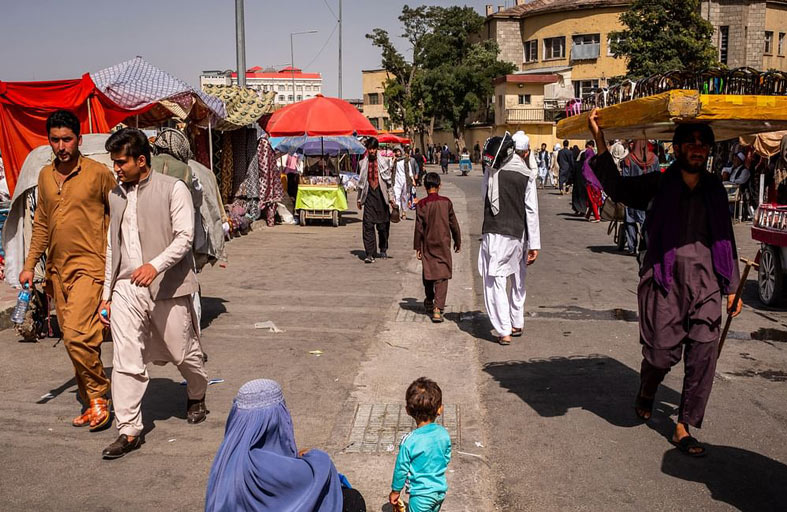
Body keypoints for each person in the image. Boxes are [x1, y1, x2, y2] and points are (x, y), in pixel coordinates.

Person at [587, 109, 742, 457]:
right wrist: (599, 137)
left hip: (707, 286)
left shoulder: (715, 188)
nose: (698, 149)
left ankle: (684, 425)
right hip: (665, 283)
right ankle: (648, 386)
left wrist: (731, 286)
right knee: (659, 356)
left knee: (703, 356)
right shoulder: (657, 183)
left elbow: (726, 238)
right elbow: (617, 187)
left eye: (704, 144)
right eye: (691, 143)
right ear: (678, 147)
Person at [100, 128, 209, 459]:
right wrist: (106, 294)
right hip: (126, 287)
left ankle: (196, 391)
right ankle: (129, 429)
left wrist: (155, 266)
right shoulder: (116, 196)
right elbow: (111, 247)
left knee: (183, 352)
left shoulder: (173, 188)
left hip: (167, 284)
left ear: (141, 160)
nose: (116, 169)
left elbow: (184, 237)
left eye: (121, 162)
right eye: (114, 163)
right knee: (125, 356)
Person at [19, 110, 115, 431]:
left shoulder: (98, 173)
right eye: (55, 140)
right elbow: (41, 224)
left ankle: (100, 395)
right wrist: (30, 265)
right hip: (57, 273)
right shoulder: (45, 176)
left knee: (76, 336)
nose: (61, 146)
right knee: (82, 339)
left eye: (67, 139)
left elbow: (120, 215)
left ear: (79, 140)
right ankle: (92, 401)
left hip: (91, 266)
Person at [205, 379, 365, 512]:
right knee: (351, 500)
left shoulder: (223, 466)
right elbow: (323, 470)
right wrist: (312, 456)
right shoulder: (291, 473)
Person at [479, 132, 540, 345]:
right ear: (525, 152)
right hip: (518, 235)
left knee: (495, 280)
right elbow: (531, 211)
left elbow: (484, 195)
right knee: (518, 279)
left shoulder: (493, 168)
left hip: (495, 232)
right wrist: (535, 245)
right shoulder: (527, 174)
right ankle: (517, 322)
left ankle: (504, 329)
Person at [389, 378, 451, 512]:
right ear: (440, 409)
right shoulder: (443, 434)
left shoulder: (409, 441)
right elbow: (446, 458)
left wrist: (395, 490)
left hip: (421, 495)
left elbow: (401, 469)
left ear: (407, 410)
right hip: (440, 490)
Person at [414, 172, 461, 323]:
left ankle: (429, 299)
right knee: (442, 275)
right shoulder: (446, 202)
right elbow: (454, 224)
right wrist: (457, 241)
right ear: (439, 185)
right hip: (443, 243)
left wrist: (418, 247)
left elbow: (419, 228)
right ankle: (437, 309)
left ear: (425, 187)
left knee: (428, 272)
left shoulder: (421, 204)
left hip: (427, 243)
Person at [357, 138, 394, 263]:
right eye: (370, 149)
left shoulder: (385, 162)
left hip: (381, 197)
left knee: (383, 226)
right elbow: (361, 183)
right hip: (368, 197)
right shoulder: (362, 163)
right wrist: (359, 199)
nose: (372, 151)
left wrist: (392, 199)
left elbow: (389, 183)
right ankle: (370, 254)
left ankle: (383, 248)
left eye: (374, 148)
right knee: (367, 225)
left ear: (377, 149)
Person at [620, 140, 660, 254]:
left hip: (632, 197)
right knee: (646, 222)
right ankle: (646, 245)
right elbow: (658, 177)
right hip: (649, 197)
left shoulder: (628, 159)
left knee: (630, 221)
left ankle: (632, 248)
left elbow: (625, 178)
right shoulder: (654, 159)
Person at [393, 145, 416, 220]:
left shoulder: (406, 160)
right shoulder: (394, 160)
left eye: (399, 151)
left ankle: (404, 212)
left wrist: (413, 180)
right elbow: (390, 168)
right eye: (396, 151)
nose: (398, 152)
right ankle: (397, 212)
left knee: (404, 196)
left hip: (405, 180)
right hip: (396, 180)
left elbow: (409, 171)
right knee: (397, 196)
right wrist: (393, 160)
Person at [582, 141, 602, 222]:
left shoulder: (586, 162)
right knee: (591, 200)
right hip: (597, 183)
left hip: (590, 183)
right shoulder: (595, 159)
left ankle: (597, 217)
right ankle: (588, 215)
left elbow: (584, 173)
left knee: (592, 200)